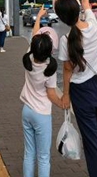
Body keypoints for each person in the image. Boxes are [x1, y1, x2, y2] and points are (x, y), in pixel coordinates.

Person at [56, 0, 97, 177]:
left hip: (82, 94)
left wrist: (66, 95)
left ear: (62, 18)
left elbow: (67, 70)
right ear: (78, 10)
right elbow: (87, 4)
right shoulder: (93, 25)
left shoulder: (66, 40)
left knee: (92, 144)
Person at [20, 33, 63, 177]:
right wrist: (62, 104)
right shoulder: (49, 69)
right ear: (50, 51)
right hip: (42, 115)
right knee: (43, 157)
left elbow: (35, 33)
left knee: (29, 152)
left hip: (27, 111)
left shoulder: (28, 59)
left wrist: (39, 17)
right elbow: (51, 94)